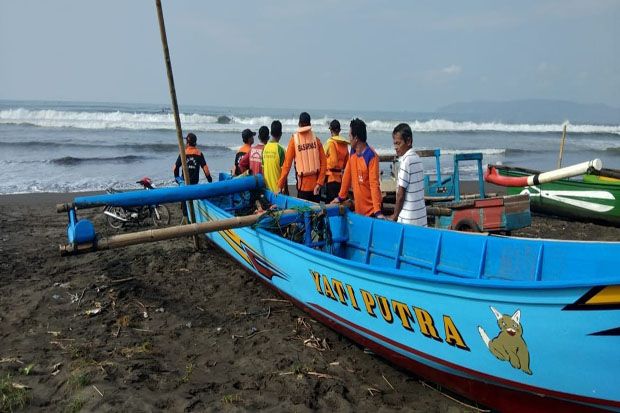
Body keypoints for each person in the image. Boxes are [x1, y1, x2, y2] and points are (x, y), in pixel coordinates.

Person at [331, 118, 384, 218]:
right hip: (359, 211)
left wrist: (377, 211)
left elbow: (374, 184)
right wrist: (340, 197)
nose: (348, 138)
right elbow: (347, 175)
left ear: (356, 138)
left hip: (372, 211)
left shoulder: (371, 156)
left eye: (350, 135)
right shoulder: (353, 153)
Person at [277, 112, 327, 202]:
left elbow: (287, 165)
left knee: (303, 214)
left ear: (299, 124)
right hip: (317, 188)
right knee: (317, 214)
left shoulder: (294, 141)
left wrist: (280, 185)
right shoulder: (316, 140)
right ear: (310, 124)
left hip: (302, 188)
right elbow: (324, 163)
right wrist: (319, 183)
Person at [389, 123, 427, 226]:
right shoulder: (417, 159)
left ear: (409, 141)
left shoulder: (406, 161)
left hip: (408, 219)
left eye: (398, 143)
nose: (395, 147)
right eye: (394, 144)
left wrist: (395, 216)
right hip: (421, 217)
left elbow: (401, 195)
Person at [323, 119, 350, 202]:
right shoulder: (345, 145)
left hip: (330, 178)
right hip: (340, 179)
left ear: (331, 130)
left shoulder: (330, 143)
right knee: (338, 204)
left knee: (329, 204)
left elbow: (322, 159)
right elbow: (347, 163)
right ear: (340, 130)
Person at [261, 120, 286, 193]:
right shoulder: (281, 150)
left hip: (267, 191)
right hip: (278, 191)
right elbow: (284, 174)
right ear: (281, 134)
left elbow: (263, 170)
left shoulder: (264, 148)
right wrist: (285, 189)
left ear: (271, 133)